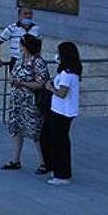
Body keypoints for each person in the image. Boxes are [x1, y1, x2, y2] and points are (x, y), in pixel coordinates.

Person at [1, 34, 50, 172]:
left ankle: (44, 162)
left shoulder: (38, 62)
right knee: (16, 129)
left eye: (21, 44)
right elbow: (13, 72)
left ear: (27, 46)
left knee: (36, 131)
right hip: (17, 100)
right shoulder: (20, 59)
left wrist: (22, 83)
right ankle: (15, 160)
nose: (20, 47)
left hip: (31, 102)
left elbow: (41, 83)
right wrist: (12, 78)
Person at [41, 42, 82, 186]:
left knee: (59, 144)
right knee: (57, 141)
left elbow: (62, 93)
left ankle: (62, 174)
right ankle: (59, 170)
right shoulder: (68, 72)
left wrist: (50, 87)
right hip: (60, 111)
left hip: (62, 112)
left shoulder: (67, 73)